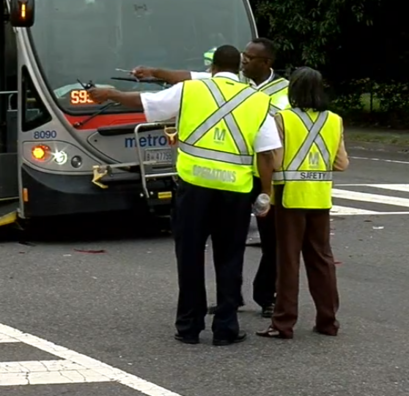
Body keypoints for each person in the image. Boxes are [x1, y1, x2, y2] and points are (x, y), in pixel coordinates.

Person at [89, 45, 281, 345]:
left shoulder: (190, 90)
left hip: (194, 190)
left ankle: (189, 326)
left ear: (213, 67)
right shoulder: (258, 100)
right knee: (230, 258)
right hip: (235, 192)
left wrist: (110, 94)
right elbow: (267, 155)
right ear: (239, 67)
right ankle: (226, 328)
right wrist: (266, 195)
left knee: (189, 256)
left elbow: (144, 101)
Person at [132, 37, 290, 318]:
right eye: (243, 55)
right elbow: (187, 77)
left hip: (260, 172)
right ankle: (231, 299)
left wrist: (268, 186)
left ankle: (266, 295)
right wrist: (154, 72)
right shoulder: (233, 79)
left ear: (266, 63)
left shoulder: (282, 91)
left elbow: (278, 137)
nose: (245, 60)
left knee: (270, 239)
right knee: (230, 245)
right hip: (236, 175)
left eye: (251, 57)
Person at [256, 66, 349, 340]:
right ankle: (328, 320)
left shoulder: (282, 119)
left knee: (288, 260)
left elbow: (275, 160)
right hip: (320, 196)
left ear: (292, 90)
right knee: (322, 259)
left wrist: (266, 193)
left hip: (289, 196)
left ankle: (283, 323)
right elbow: (341, 163)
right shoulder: (334, 120)